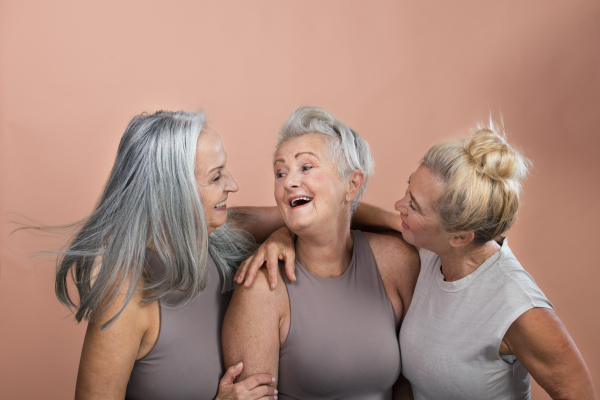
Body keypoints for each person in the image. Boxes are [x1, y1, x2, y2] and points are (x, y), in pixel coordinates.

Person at [57, 110, 282, 399]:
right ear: (174, 193)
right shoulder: (125, 298)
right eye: (216, 177)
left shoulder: (219, 232)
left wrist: (284, 238)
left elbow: (330, 212)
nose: (233, 185)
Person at [222, 106, 420, 399]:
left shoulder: (396, 260)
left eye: (306, 167)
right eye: (280, 172)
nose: (288, 182)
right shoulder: (263, 286)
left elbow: (407, 382)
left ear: (352, 184)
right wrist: (283, 231)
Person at [396, 122, 597, 399]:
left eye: (413, 206)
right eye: (409, 189)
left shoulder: (518, 306)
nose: (398, 206)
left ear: (460, 237)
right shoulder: (434, 248)